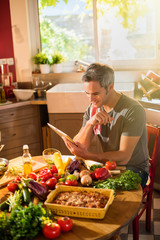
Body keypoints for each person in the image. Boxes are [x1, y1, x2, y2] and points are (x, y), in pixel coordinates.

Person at [63, 63, 149, 188]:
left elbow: (124, 157)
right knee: (79, 187)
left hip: (133, 169)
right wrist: (89, 124)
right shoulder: (94, 108)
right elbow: (80, 146)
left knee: (101, 194)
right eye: (87, 93)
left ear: (111, 87)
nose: (90, 99)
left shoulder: (133, 110)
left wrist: (87, 156)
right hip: (110, 167)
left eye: (95, 93)